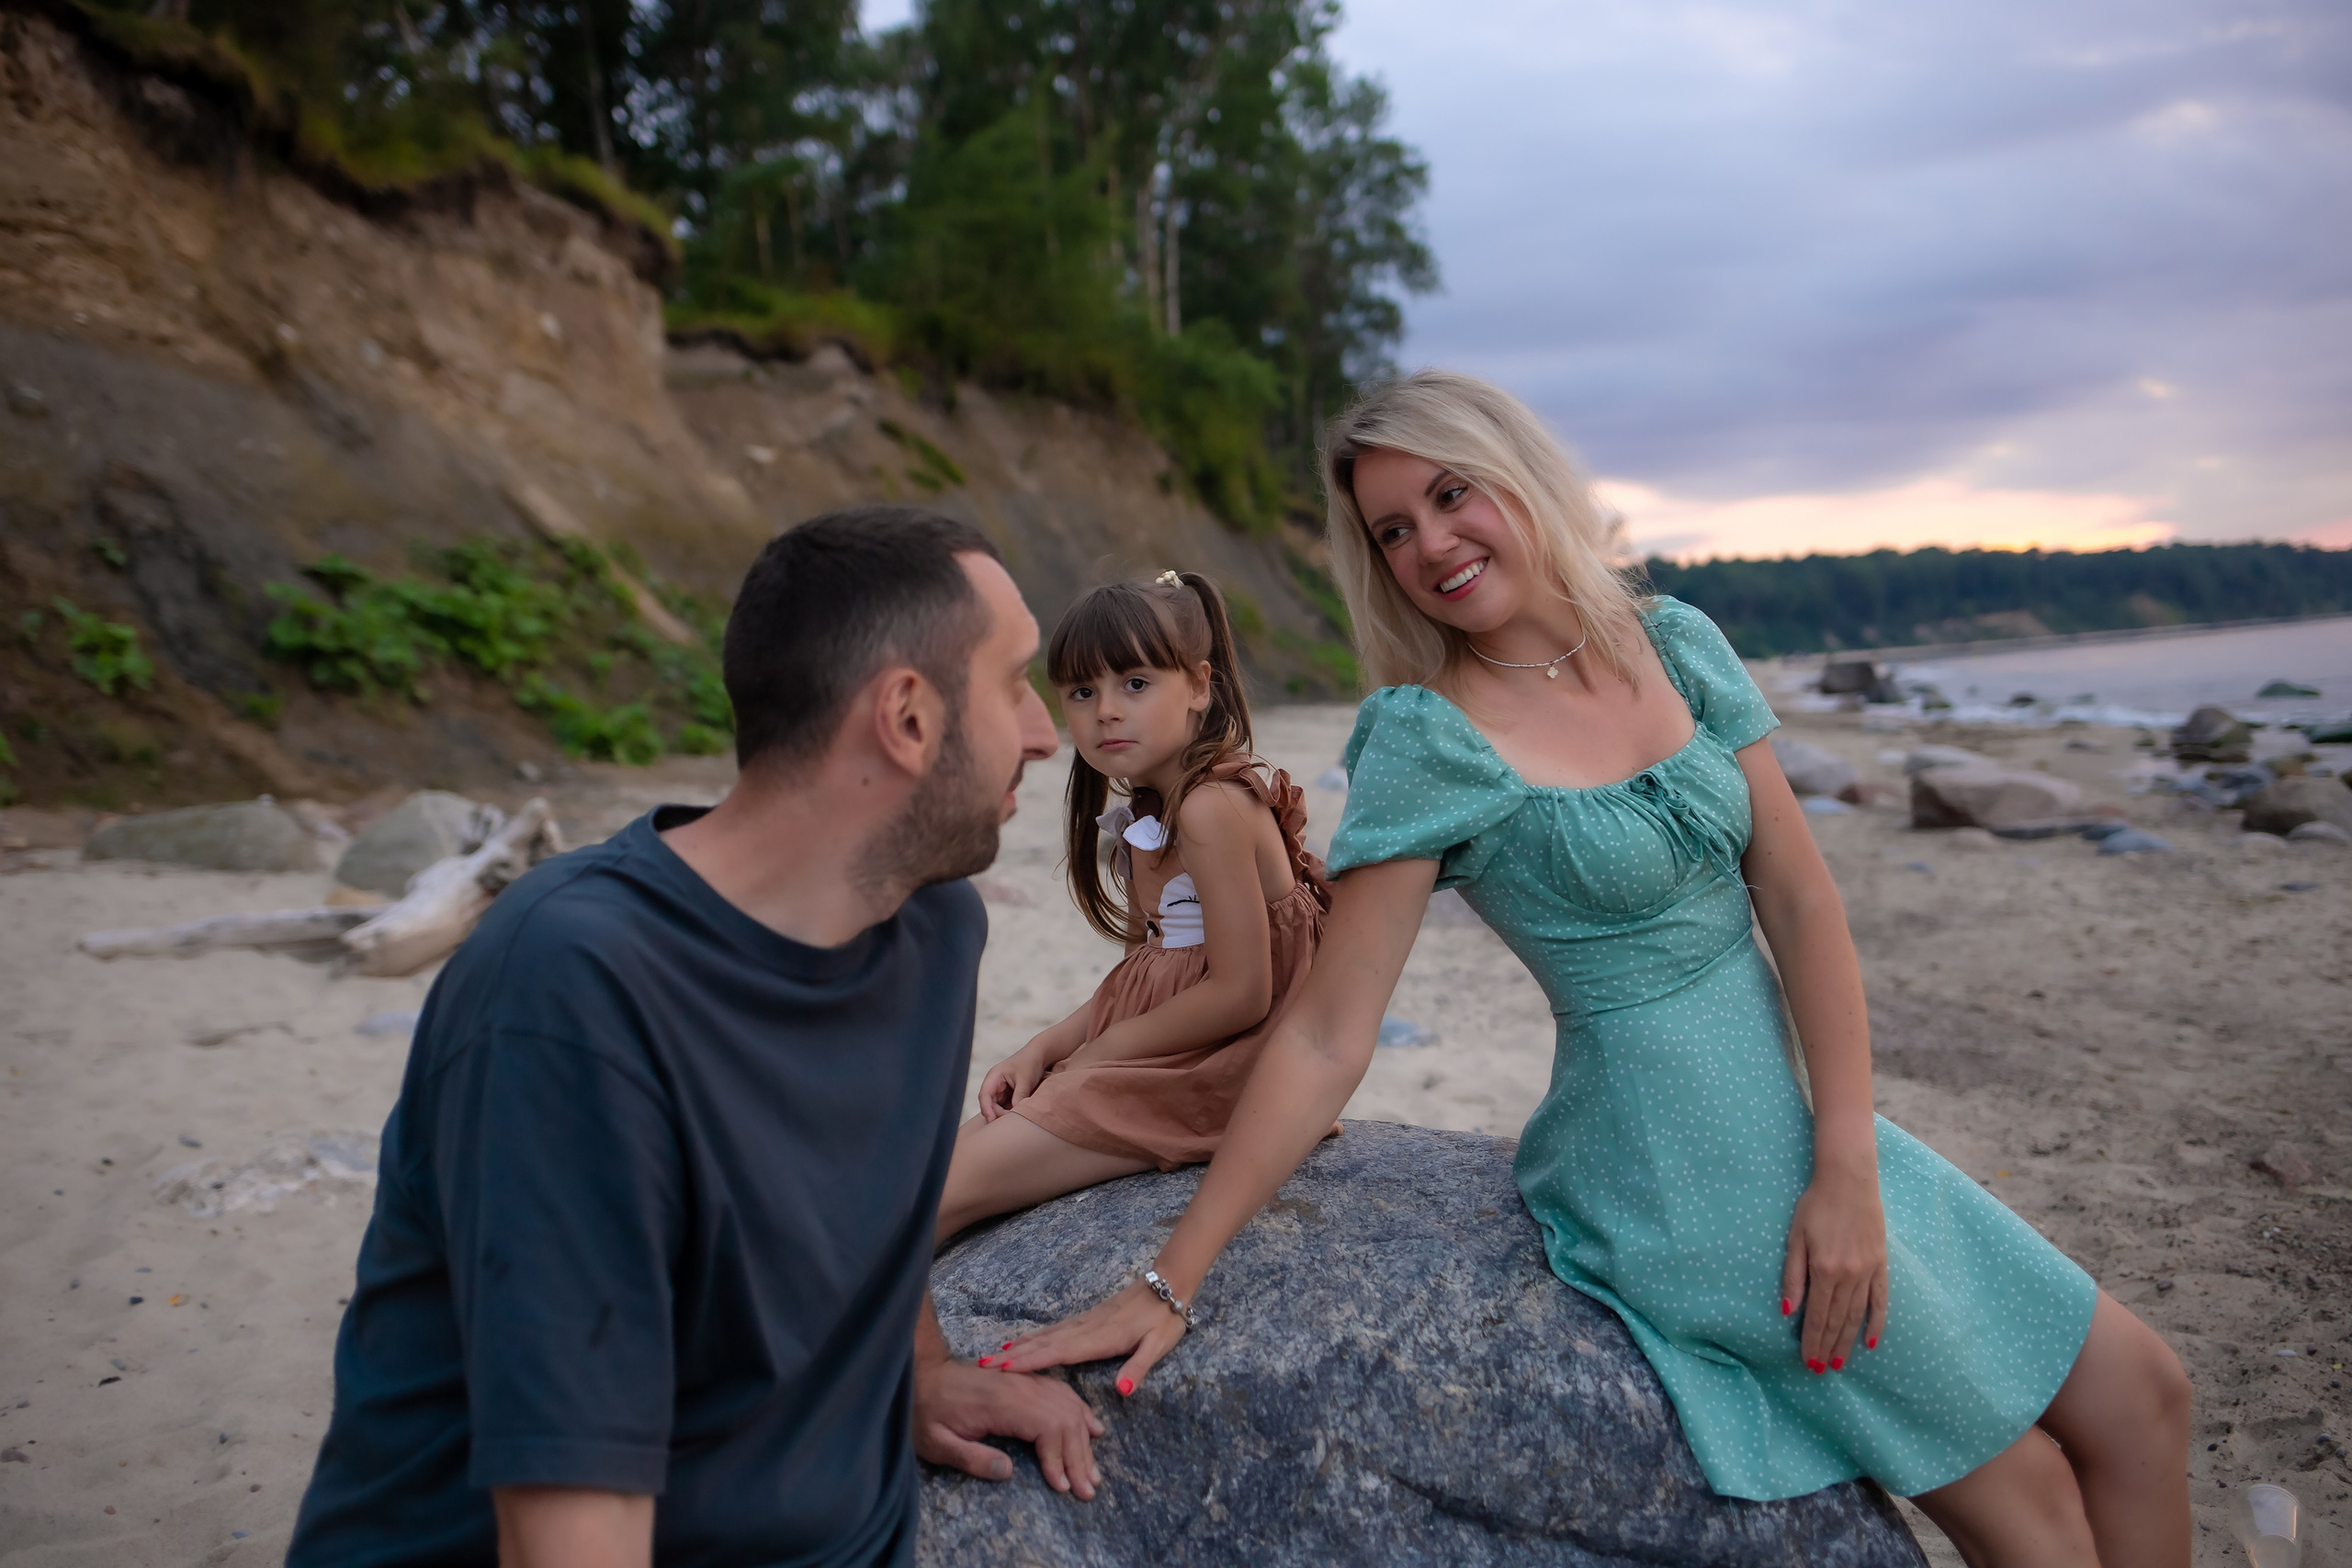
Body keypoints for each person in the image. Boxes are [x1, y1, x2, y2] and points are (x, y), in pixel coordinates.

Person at [987, 374, 2194, 1565]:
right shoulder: (1427, 737)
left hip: (1798, 1128)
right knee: (2031, 1499)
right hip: (1675, 1168)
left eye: (1452, 494)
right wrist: (1172, 1272)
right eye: (1393, 531)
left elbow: (1800, 897)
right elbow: (1324, 1032)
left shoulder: (1675, 639)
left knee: (2148, 1393)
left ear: (1516, 472)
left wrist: (1846, 1159)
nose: (1432, 544)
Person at [289, 507, 1105, 1568]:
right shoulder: (572, 994)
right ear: (906, 717)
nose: (1047, 733)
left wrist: (917, 1368)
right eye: (1014, 683)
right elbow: (573, 1535)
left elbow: (862, 1195)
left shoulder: (934, 927)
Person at [935, 571, 1329, 1288]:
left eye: (1136, 683)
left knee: (933, 1196)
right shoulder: (1153, 808)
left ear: (1200, 686)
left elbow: (1241, 992)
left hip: (1222, 1070)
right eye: (1083, 692)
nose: (1106, 712)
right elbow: (1148, 973)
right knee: (934, 1181)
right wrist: (1045, 1047)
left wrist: (1101, 1054)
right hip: (1163, 1051)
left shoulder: (1213, 808)